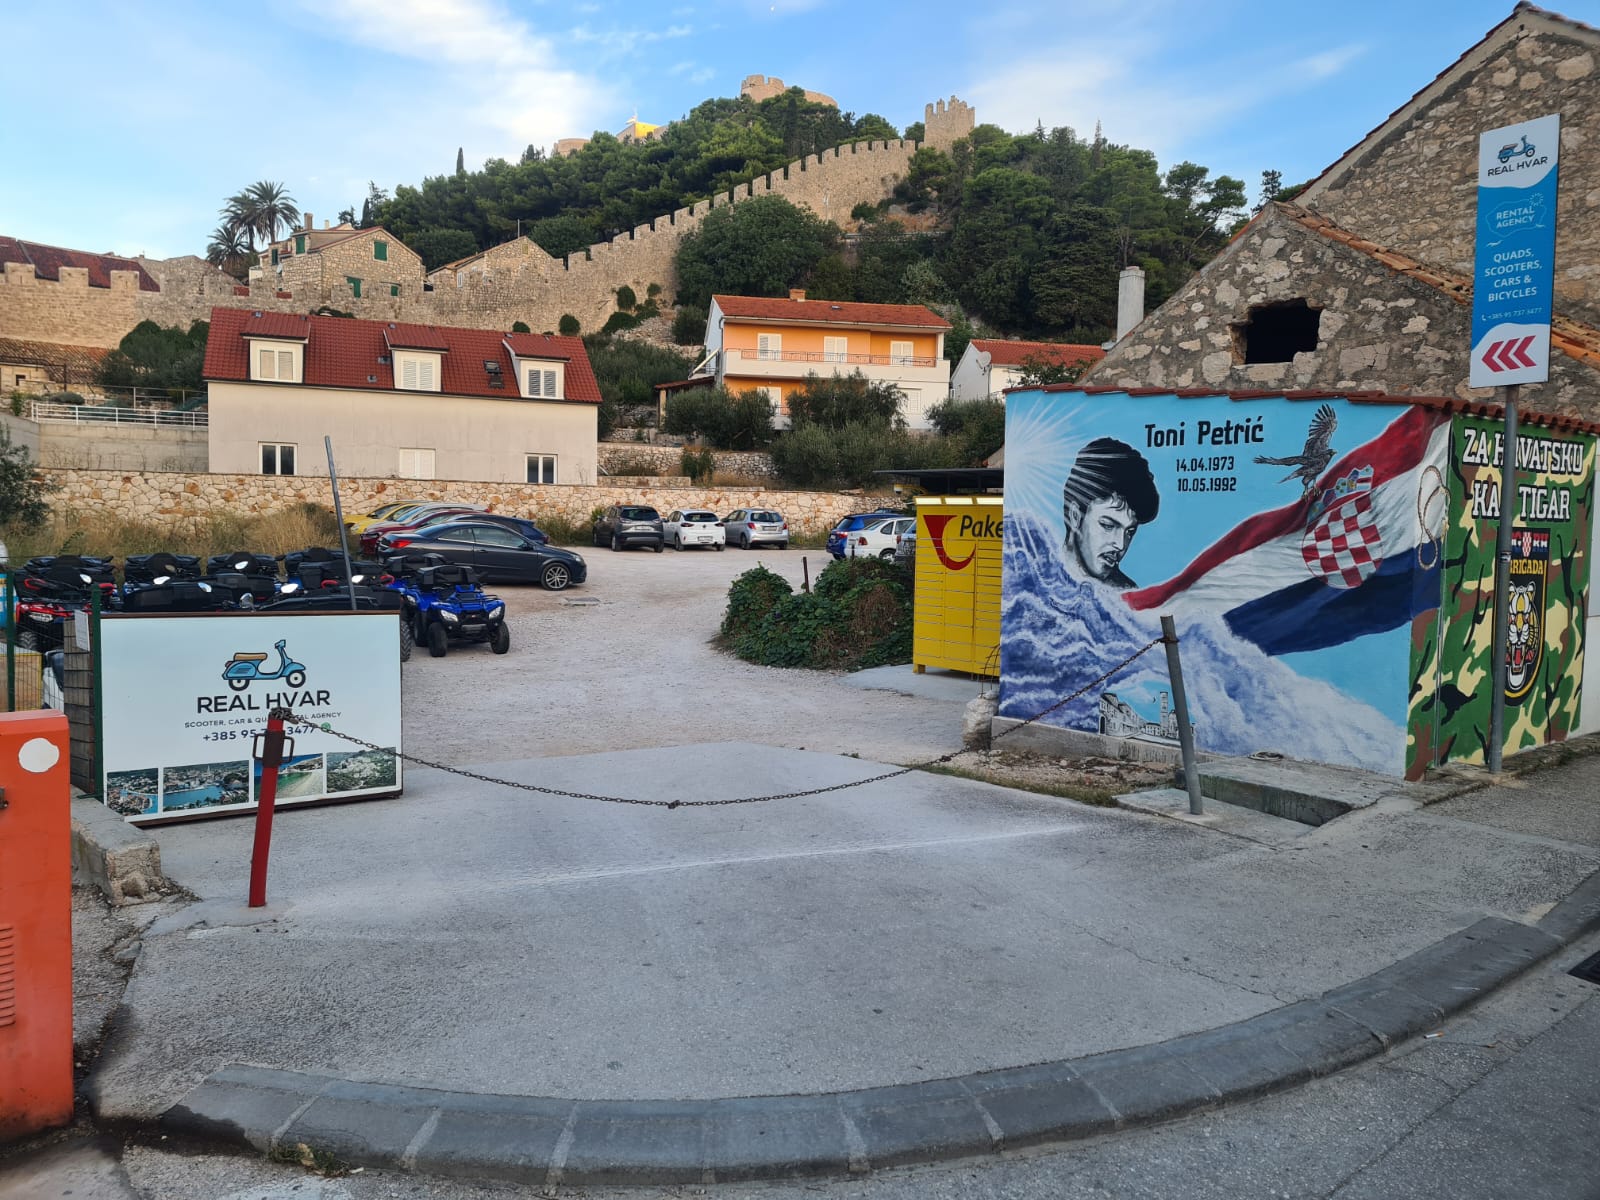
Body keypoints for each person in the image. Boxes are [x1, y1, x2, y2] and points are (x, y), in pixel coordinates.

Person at [1062, 437, 1160, 589]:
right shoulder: (1032, 575)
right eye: (1108, 525)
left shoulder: (1126, 594)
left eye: (1130, 532)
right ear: (1075, 516)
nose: (1120, 545)